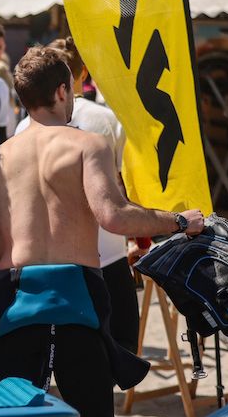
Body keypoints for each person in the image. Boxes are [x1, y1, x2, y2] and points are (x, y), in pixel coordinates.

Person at [0, 45, 204, 417]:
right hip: (75, 294)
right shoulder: (87, 144)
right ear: (63, 91)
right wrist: (177, 221)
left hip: (16, 300)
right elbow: (113, 216)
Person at [14, 38, 138, 353]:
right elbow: (124, 184)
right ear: (79, 74)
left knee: (62, 355)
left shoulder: (21, 129)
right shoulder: (105, 119)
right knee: (116, 353)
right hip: (105, 252)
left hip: (45, 260)